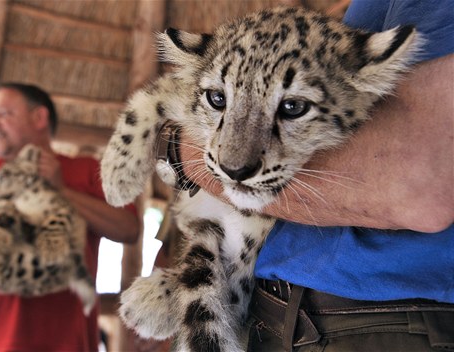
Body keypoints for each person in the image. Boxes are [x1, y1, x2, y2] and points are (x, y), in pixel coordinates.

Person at [176, 1, 453, 351]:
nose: (234, 161)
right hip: (279, 315)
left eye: (292, 106)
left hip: (377, 323)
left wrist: (175, 148)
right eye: (218, 98)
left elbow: (421, 186)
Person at [0, 83, 140, 351]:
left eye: (3, 114)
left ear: (39, 118)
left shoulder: (86, 171)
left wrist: (60, 190)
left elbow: (129, 229)